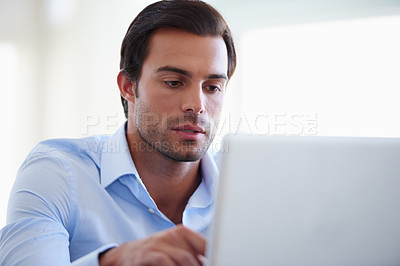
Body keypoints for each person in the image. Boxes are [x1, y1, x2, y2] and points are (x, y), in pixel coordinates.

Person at [0, 0, 236, 265]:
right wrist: (111, 261)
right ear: (127, 86)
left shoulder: (247, 190)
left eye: (213, 87)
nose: (197, 105)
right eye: (173, 82)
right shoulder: (57, 173)